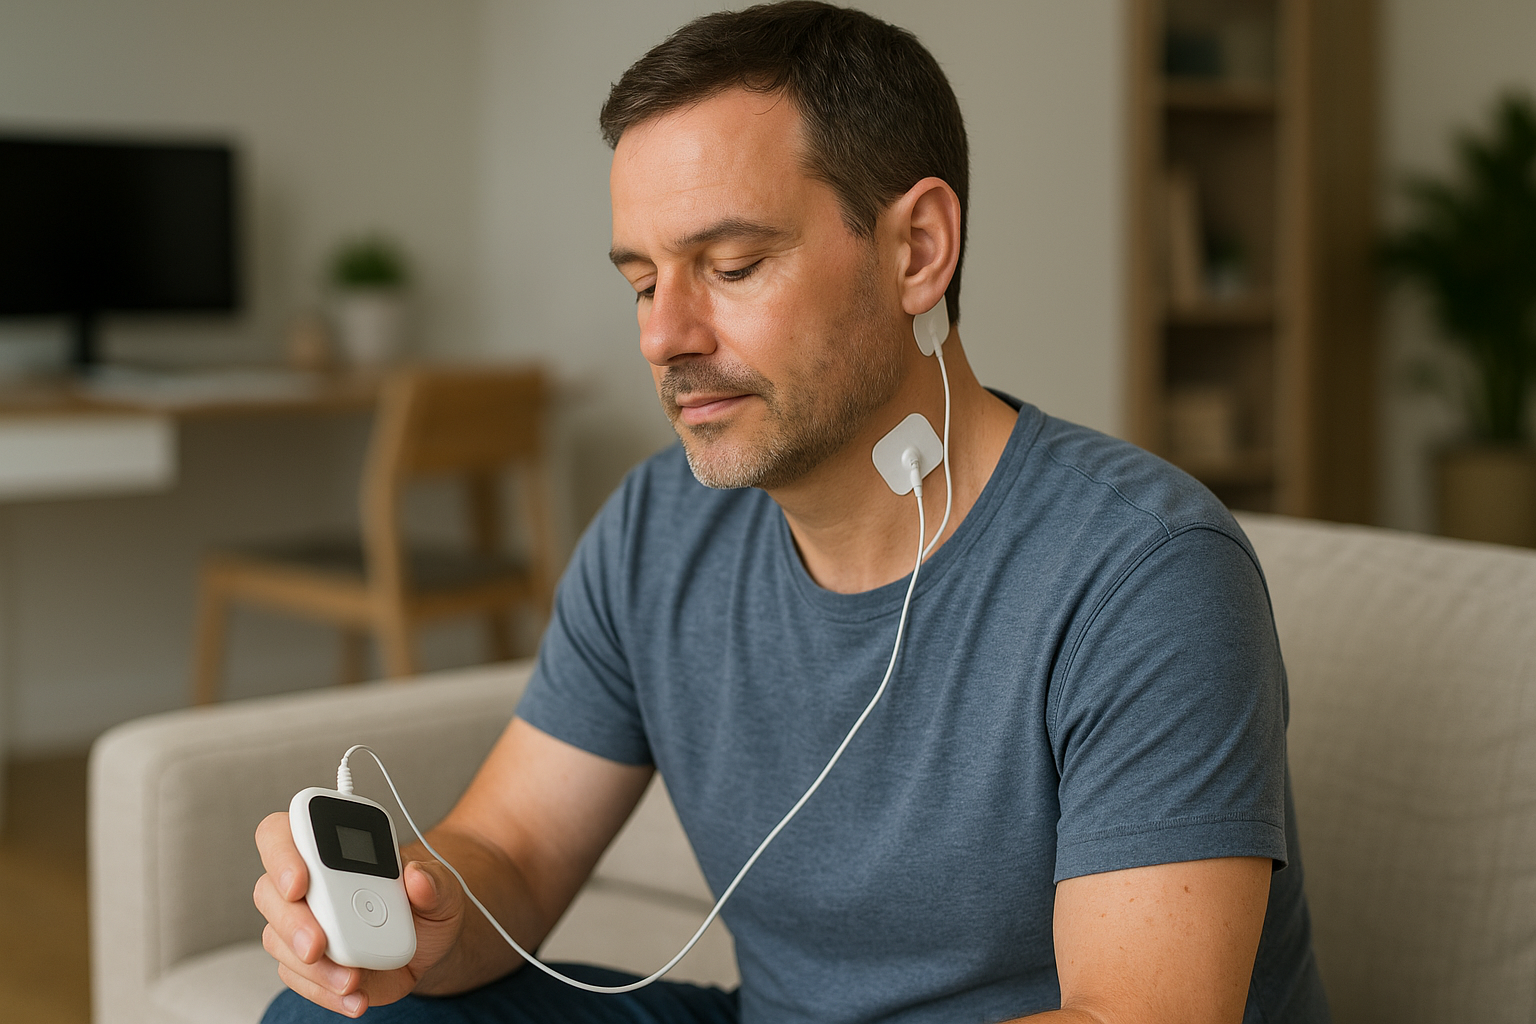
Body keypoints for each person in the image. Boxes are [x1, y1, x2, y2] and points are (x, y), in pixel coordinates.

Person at [255, 4, 1331, 1022]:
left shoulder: (1144, 572)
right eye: (642, 281)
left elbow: (1135, 1014)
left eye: (731, 266)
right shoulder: (656, 529)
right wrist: (423, 915)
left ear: (916, 251)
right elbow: (519, 851)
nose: (662, 336)